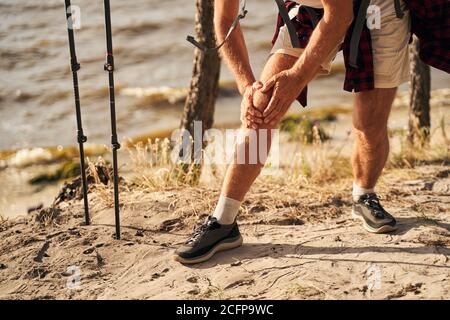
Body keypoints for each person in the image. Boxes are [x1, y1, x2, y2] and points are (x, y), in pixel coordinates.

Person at [173, 0, 440, 264]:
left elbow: (339, 15)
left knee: (369, 125)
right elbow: (224, 20)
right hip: (310, 9)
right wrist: (247, 88)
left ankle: (364, 195)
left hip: (377, 8)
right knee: (261, 107)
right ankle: (224, 222)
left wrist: (296, 78)